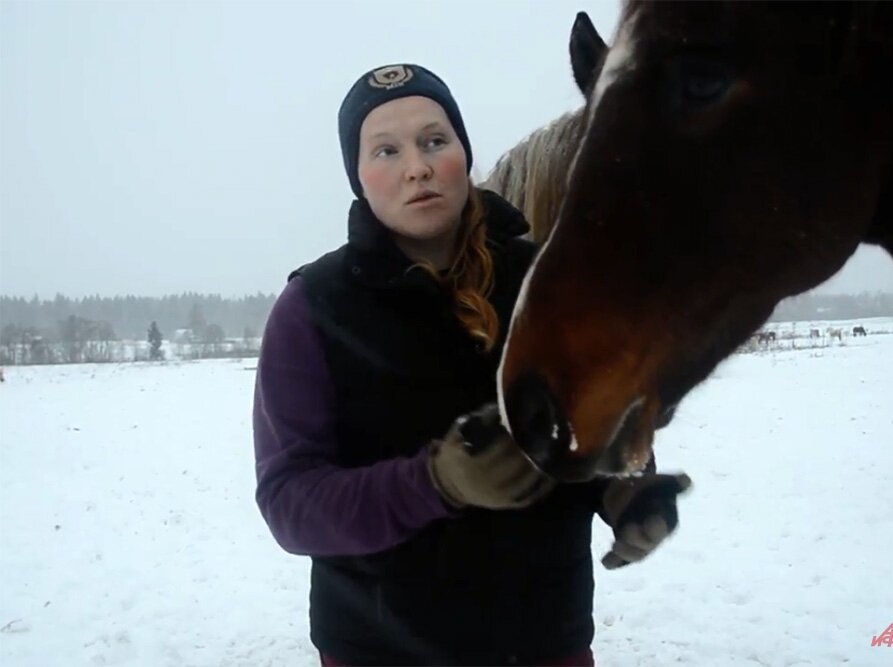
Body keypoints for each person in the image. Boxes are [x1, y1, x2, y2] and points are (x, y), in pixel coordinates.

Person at [253, 63, 691, 666]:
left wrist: (624, 490)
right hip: (378, 652)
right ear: (358, 177)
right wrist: (435, 482)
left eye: (436, 140)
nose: (418, 166)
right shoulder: (312, 309)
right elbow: (289, 501)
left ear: (463, 149)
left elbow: (593, 421)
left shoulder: (548, 282)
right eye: (386, 149)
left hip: (545, 644)